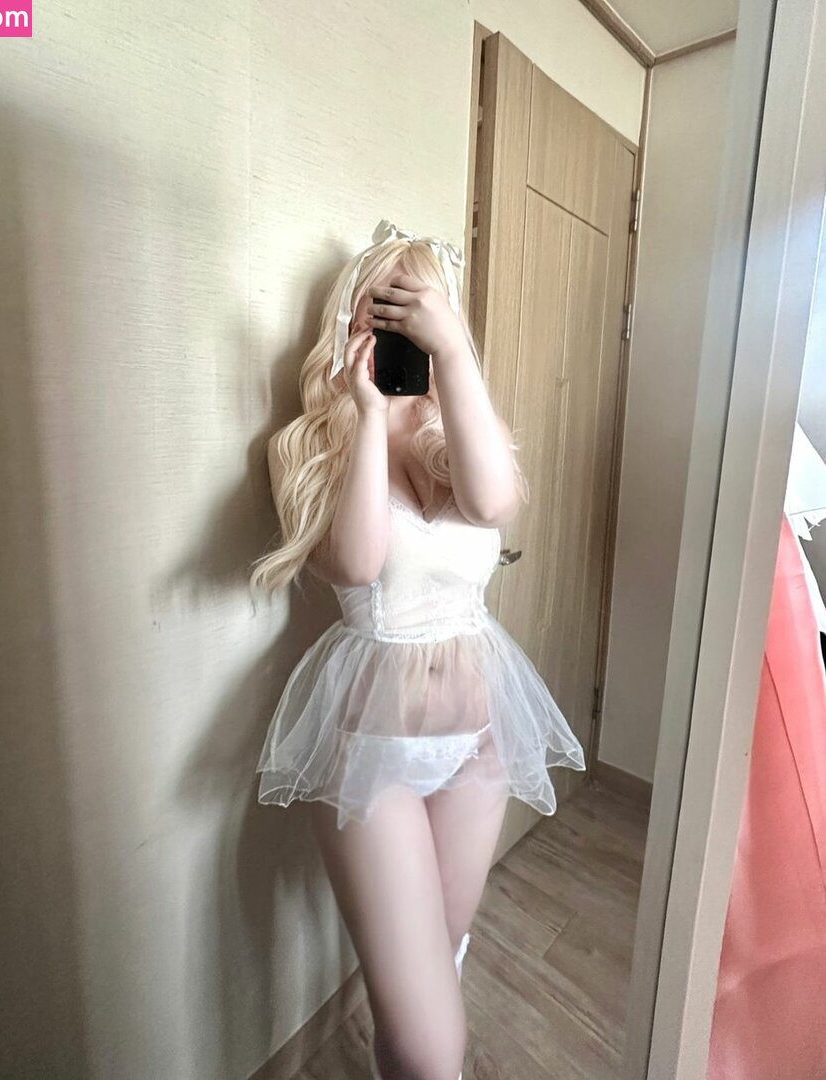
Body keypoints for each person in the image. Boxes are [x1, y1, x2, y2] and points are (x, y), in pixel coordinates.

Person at [248, 220, 586, 1080]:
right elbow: (357, 562)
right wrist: (368, 415)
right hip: (375, 754)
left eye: (419, 307)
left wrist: (456, 357)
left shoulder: (458, 428)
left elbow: (495, 503)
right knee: (435, 1044)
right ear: (351, 320)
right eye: (384, 308)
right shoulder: (308, 446)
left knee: (443, 959)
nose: (402, 326)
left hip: (480, 742)